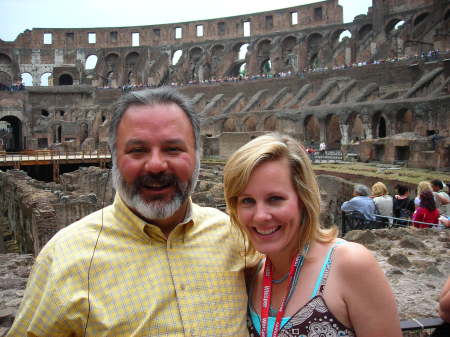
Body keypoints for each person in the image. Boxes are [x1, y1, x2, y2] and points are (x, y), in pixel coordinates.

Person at [7, 87, 257, 336]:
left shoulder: (234, 237)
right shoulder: (63, 258)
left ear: (197, 155)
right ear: (114, 158)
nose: (157, 165)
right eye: (138, 150)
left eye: (173, 149)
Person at [223, 133, 402, 337]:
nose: (260, 216)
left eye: (275, 198)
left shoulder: (350, 264)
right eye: (247, 200)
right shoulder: (251, 273)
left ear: (303, 199)